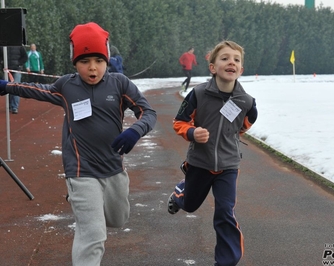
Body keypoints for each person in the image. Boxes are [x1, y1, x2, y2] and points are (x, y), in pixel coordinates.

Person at [0, 22, 157, 266]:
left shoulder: (120, 84)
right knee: (93, 235)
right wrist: (7, 86)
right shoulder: (67, 86)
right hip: (81, 171)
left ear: (106, 60)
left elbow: (148, 112)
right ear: (75, 62)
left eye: (98, 60)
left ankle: (89, 209)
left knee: (118, 219)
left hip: (114, 168)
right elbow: (37, 89)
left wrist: (136, 131)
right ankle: (84, 206)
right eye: (84, 61)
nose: (92, 67)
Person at [167, 41, 258, 266]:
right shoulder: (197, 94)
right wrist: (192, 132)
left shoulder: (247, 102)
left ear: (241, 70)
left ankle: (225, 261)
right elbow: (179, 121)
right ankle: (181, 192)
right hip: (200, 162)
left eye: (236, 60)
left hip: (228, 165)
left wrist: (229, 137)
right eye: (225, 58)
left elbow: (246, 124)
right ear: (212, 67)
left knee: (225, 211)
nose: (231, 62)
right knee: (190, 205)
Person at [0, 45, 28, 114]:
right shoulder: (3, 46)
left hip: (16, 70)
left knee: (16, 87)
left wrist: (18, 64)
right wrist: (2, 64)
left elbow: (25, 57)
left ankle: (14, 107)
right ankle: (10, 106)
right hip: (6, 70)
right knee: (8, 87)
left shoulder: (19, 46)